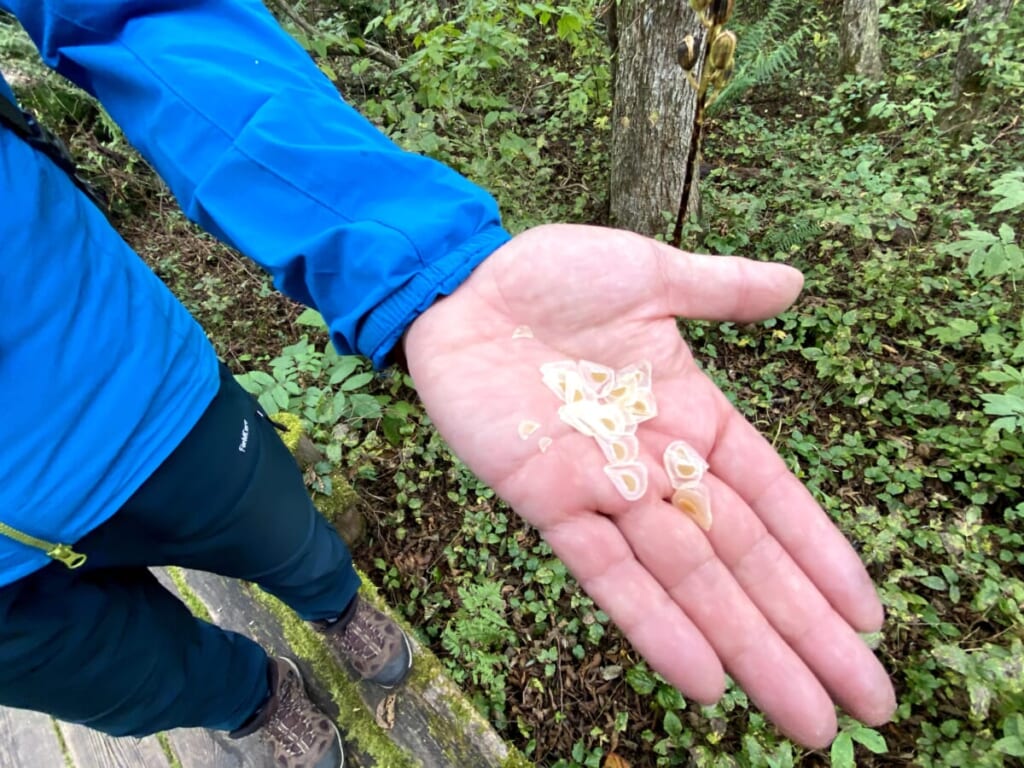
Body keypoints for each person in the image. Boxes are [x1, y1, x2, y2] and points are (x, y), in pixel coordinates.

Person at [0, 2, 897, 767]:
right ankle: (252, 701)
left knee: (286, 540)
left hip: (123, 387)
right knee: (128, 681)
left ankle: (338, 611)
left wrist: (423, 266)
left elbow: (136, 12)